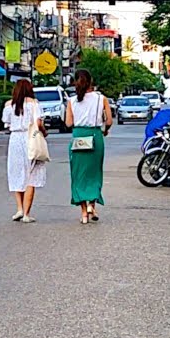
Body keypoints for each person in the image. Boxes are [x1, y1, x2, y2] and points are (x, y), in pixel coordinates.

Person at [65, 69, 111, 225]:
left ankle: (84, 213)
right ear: (91, 81)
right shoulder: (101, 98)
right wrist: (105, 130)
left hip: (78, 136)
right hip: (95, 136)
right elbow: (109, 121)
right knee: (94, 173)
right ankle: (92, 205)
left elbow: (68, 123)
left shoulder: (71, 101)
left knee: (79, 175)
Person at [3, 79, 47, 223]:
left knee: (17, 173)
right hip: (30, 138)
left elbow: (6, 123)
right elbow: (38, 123)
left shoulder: (9, 105)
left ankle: (19, 208)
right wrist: (44, 132)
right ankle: (27, 213)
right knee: (31, 176)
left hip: (15, 140)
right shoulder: (34, 104)